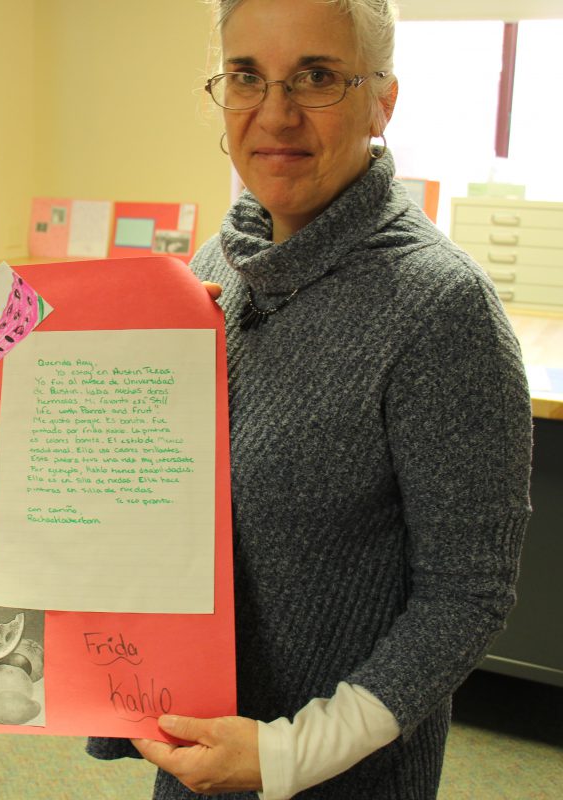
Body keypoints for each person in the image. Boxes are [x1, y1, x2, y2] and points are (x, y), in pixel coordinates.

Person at [87, 1, 532, 798]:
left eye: (317, 77)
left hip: (337, 775)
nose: (276, 115)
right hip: (196, 750)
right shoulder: (217, 263)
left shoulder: (440, 309)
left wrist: (290, 753)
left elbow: (467, 595)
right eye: (247, 77)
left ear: (382, 100)